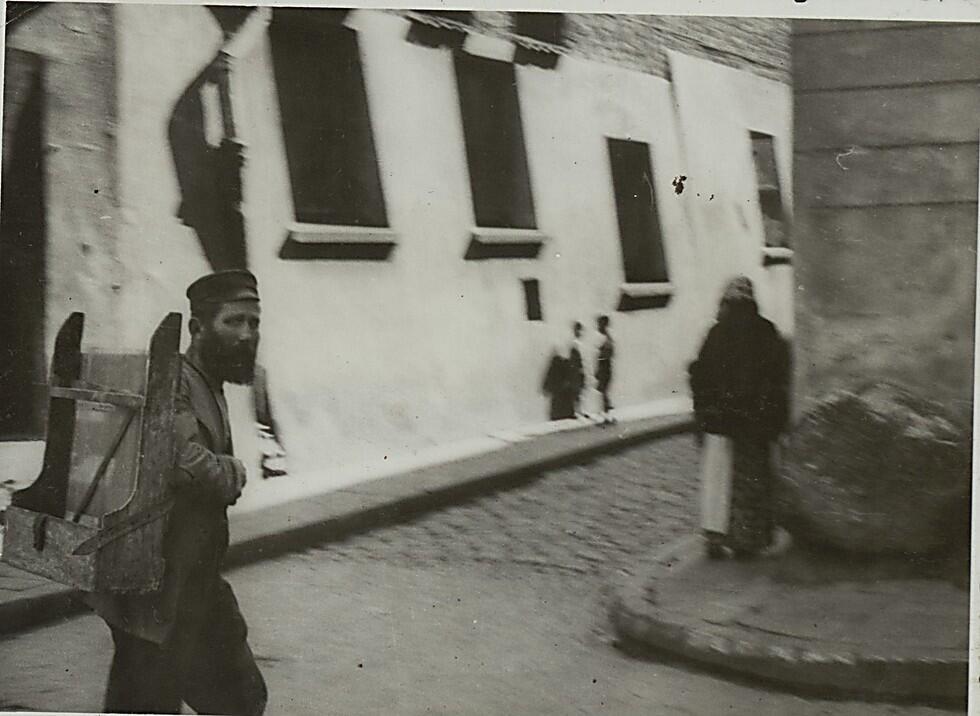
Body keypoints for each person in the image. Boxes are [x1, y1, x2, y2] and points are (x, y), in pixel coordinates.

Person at [87, 269, 268, 715]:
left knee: (241, 697)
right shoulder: (174, 379)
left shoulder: (211, 382)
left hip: (196, 581)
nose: (247, 335)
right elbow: (188, 465)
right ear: (197, 328)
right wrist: (234, 471)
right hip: (155, 587)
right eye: (234, 322)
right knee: (148, 702)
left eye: (254, 323)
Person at [688, 276, 791, 559]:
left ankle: (715, 536)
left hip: (720, 421)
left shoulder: (716, 333)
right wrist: (773, 418)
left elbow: (699, 375)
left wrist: (704, 411)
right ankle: (747, 539)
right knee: (751, 479)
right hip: (753, 423)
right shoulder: (766, 331)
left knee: (717, 477)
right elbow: (778, 377)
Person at [595, 315, 615, 425]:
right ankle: (607, 415)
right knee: (603, 392)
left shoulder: (606, 339)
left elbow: (607, 355)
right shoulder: (606, 338)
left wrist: (600, 365)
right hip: (604, 367)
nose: (598, 326)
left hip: (605, 368)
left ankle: (608, 416)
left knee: (604, 392)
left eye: (599, 323)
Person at [569, 321, 586, 419]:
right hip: (576, 370)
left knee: (579, 391)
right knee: (576, 391)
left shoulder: (579, 343)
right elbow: (575, 359)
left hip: (579, 370)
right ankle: (576, 411)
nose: (579, 332)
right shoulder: (575, 344)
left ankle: (579, 410)